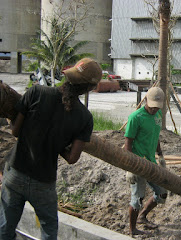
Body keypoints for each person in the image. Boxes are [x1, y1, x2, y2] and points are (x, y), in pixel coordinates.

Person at [0, 58, 102, 239]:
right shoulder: (85, 118)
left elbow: (15, 131)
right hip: (43, 183)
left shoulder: (36, 92)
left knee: (6, 228)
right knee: (48, 230)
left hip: (16, 173)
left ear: (68, 77)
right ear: (90, 88)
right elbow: (72, 158)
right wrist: (57, 144)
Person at [125, 87, 167, 236]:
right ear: (146, 101)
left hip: (151, 163)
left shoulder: (158, 115)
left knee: (162, 193)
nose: (155, 109)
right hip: (138, 164)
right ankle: (133, 229)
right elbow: (128, 143)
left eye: (158, 106)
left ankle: (143, 216)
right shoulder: (136, 117)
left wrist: (160, 154)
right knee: (137, 199)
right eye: (153, 106)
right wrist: (129, 167)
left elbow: (155, 136)